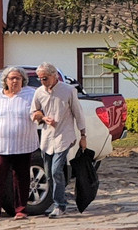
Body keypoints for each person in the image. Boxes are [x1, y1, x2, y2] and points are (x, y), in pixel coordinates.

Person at [30, 62, 87, 219]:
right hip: (47, 138)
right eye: (40, 78)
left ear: (54, 76)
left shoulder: (68, 90)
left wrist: (83, 135)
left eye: (45, 78)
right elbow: (33, 112)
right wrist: (42, 117)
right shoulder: (39, 92)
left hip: (64, 136)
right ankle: (58, 201)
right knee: (49, 174)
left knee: (56, 171)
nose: (42, 81)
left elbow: (78, 113)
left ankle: (60, 205)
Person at [0, 66, 38, 221]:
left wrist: (40, 117)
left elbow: (38, 111)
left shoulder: (31, 94)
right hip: (1, 143)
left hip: (23, 143)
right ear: (5, 80)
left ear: (23, 80)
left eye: (18, 78)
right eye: (11, 78)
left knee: (21, 177)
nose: (14, 81)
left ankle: (21, 210)